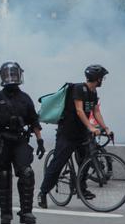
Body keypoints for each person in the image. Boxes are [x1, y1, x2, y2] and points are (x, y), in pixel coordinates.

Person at [0, 62, 44, 224]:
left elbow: (34, 121)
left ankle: (26, 212)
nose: (11, 77)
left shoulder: (25, 98)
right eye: (8, 74)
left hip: (19, 140)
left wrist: (40, 141)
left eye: (14, 74)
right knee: (4, 175)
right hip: (1, 141)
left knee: (27, 173)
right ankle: (5, 214)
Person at [38, 65, 113, 209]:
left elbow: (96, 112)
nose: (102, 80)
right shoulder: (79, 89)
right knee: (58, 163)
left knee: (86, 160)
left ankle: (81, 189)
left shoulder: (93, 92)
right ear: (97, 79)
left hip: (81, 133)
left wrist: (105, 128)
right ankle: (43, 192)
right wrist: (90, 127)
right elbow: (79, 110)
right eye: (101, 78)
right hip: (67, 133)